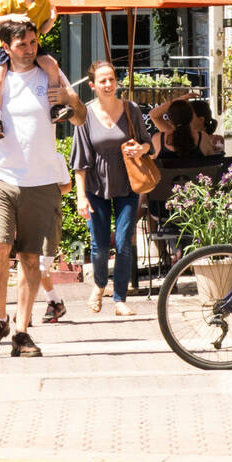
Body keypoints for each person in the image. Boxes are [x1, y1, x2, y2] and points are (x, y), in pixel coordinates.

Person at [0, 20, 85, 356]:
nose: (30, 49)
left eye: (33, 42)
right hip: (0, 177)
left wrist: (71, 98)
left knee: (32, 258)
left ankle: (21, 331)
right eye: (22, 45)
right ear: (6, 47)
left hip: (41, 181)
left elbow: (78, 118)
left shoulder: (50, 75)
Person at [70, 59, 153, 317]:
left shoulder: (131, 109)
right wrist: (81, 196)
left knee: (124, 241)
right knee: (100, 245)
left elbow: (148, 143)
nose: (108, 84)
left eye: (112, 80)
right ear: (92, 85)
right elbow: (80, 161)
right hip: (96, 188)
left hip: (128, 185)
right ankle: (99, 285)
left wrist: (140, 149)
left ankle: (119, 300)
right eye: (102, 81)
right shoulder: (84, 115)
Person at [0, 0, 62, 138]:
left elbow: (42, 31)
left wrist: (52, 19)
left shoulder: (43, 2)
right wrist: (11, 16)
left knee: (52, 66)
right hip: (6, 47)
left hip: (33, 47)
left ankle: (56, 107)